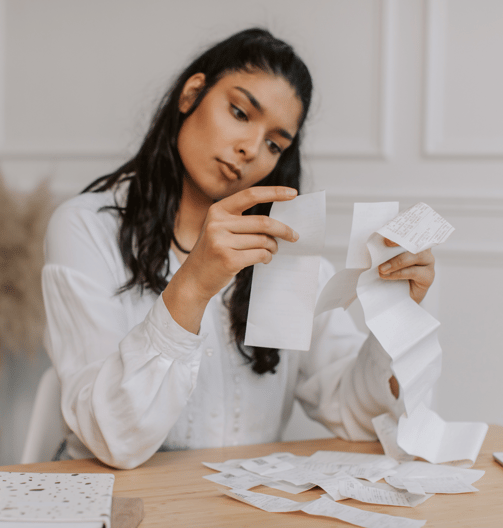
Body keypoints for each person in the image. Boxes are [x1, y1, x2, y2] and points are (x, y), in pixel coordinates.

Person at [42, 28, 435, 469]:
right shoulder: (85, 228)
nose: (250, 148)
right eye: (239, 112)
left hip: (238, 506)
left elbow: (358, 414)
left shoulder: (283, 253)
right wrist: (191, 287)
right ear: (192, 94)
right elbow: (111, 439)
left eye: (274, 144)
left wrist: (394, 314)